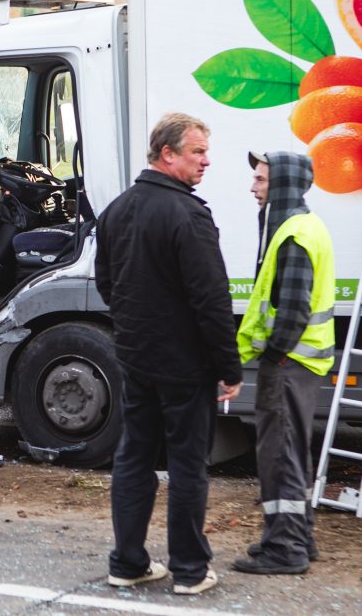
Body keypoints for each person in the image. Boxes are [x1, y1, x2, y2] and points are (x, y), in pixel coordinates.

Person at [94, 112, 242, 596]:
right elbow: (212, 300)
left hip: (135, 359)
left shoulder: (117, 210)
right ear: (167, 154)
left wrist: (137, 330)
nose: (206, 161)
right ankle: (191, 571)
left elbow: (107, 285)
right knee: (186, 465)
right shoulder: (188, 215)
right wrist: (228, 366)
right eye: (198, 152)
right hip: (184, 367)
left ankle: (128, 562)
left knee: (134, 457)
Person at [232, 151, 334, 575]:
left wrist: (271, 355)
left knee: (280, 456)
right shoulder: (303, 227)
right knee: (291, 454)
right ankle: (296, 535)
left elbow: (291, 312)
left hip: (289, 365)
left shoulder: (293, 235)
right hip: (300, 365)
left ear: (283, 184)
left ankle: (286, 549)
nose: (253, 186)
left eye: (260, 179)